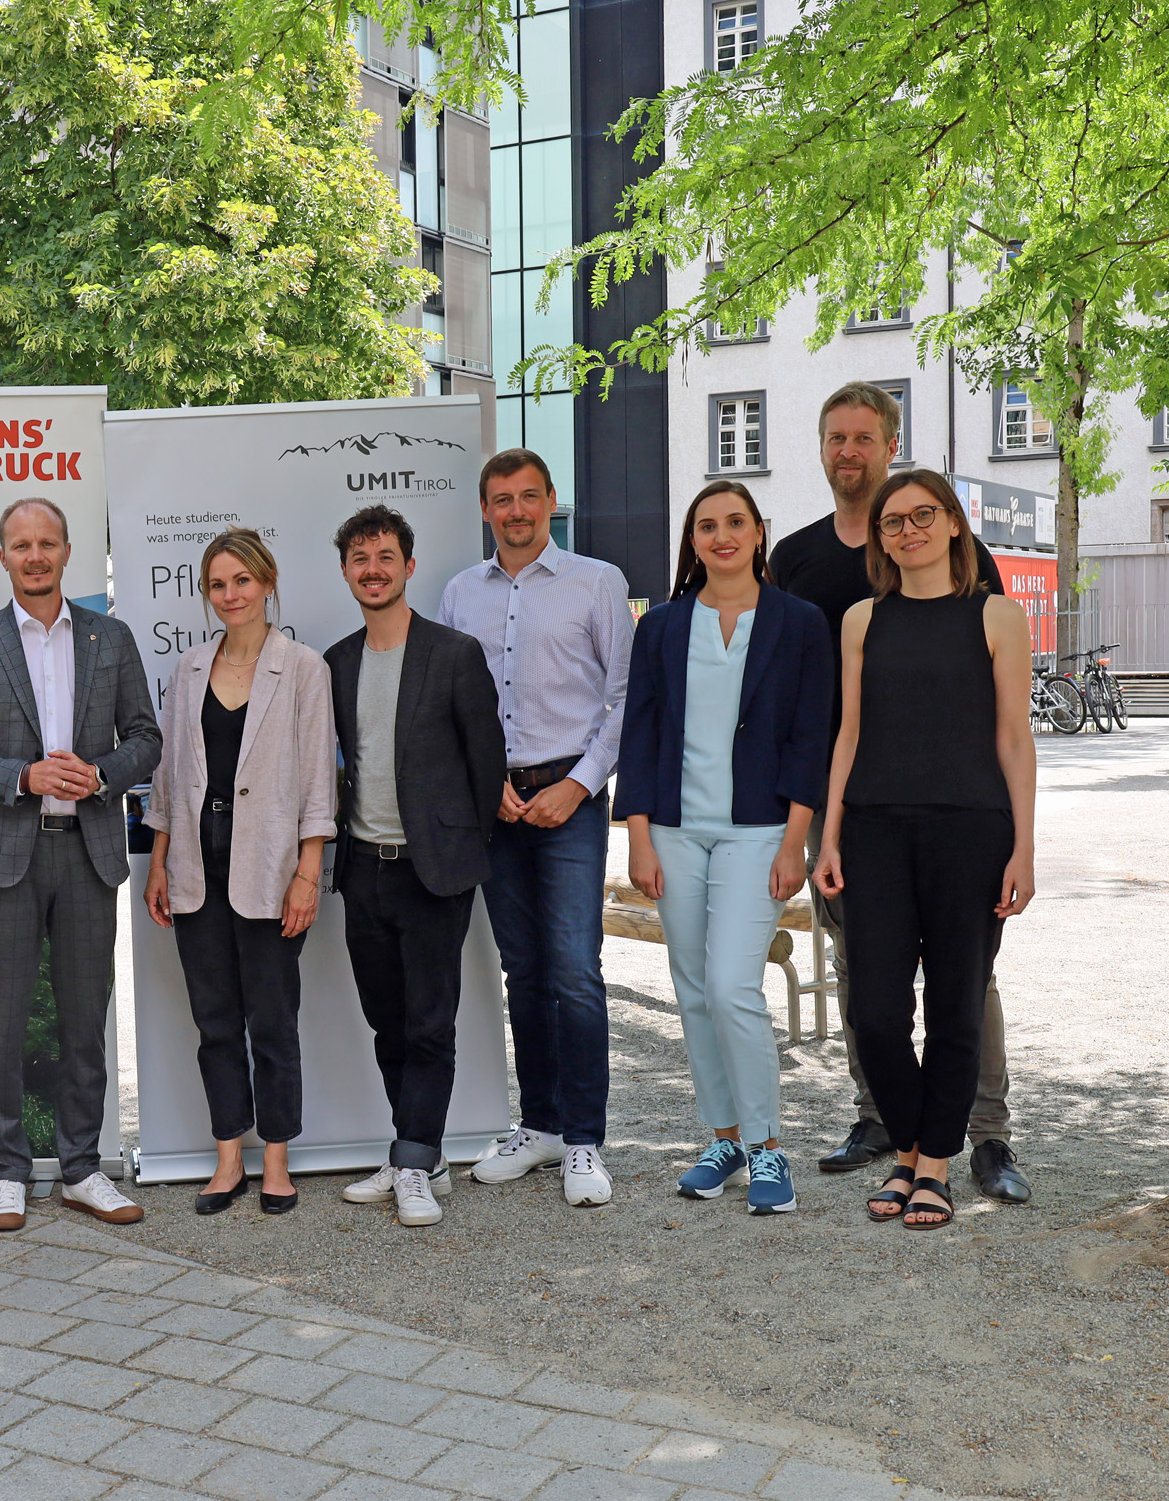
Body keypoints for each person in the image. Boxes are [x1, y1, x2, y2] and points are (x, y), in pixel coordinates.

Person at [768, 382, 1032, 1204]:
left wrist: (1026, 843)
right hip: (864, 817)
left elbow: (1012, 733)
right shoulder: (820, 579)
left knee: (962, 992)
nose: (909, 528)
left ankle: (961, 1148)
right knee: (871, 995)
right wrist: (825, 831)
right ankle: (895, 1127)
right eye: (834, 436)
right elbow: (835, 724)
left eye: (863, 437)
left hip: (968, 823)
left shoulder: (989, 603)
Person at [0, 497, 163, 1233]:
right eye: (20, 545)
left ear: (69, 553)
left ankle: (82, 1168)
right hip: (6, 860)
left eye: (47, 544)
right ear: (2, 556)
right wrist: (22, 776)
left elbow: (147, 739)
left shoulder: (110, 638)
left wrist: (97, 775)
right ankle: (7, 1171)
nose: (34, 556)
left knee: (85, 1018)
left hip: (87, 852)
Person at [616, 482, 831, 1217]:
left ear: (760, 532)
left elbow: (813, 737)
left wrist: (796, 840)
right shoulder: (663, 626)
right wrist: (638, 836)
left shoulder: (800, 623)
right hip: (674, 830)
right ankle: (726, 1139)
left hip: (760, 829)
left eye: (735, 522)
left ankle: (771, 1149)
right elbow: (638, 735)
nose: (722, 535)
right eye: (707, 525)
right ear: (693, 539)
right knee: (695, 990)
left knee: (735, 985)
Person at [439, 449, 633, 1207]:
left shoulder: (596, 582)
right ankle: (542, 1123)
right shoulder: (461, 593)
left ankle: (585, 1139)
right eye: (500, 500)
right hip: (497, 805)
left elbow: (624, 698)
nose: (516, 511)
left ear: (552, 500)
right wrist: (488, 787)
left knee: (576, 971)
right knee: (523, 969)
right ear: (484, 509)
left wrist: (579, 786)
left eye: (528, 497)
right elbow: (454, 705)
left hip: (570, 802)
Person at [142, 529, 337, 1216]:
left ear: (268, 580)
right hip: (198, 865)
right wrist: (160, 859)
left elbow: (319, 781)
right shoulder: (189, 668)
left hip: (272, 866)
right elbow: (169, 780)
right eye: (218, 584)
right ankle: (229, 1156)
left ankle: (277, 1160)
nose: (231, 594)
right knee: (216, 1019)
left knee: (274, 1019)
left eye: (242, 581)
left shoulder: (303, 668)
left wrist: (308, 873)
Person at [326, 506, 509, 1228]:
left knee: (431, 1022)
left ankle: (412, 1157)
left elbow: (485, 760)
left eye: (385, 556)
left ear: (408, 564)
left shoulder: (454, 653)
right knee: (387, 1021)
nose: (373, 568)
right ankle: (418, 1150)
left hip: (434, 870)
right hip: (363, 866)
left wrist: (462, 847)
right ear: (345, 571)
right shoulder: (336, 662)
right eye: (359, 558)